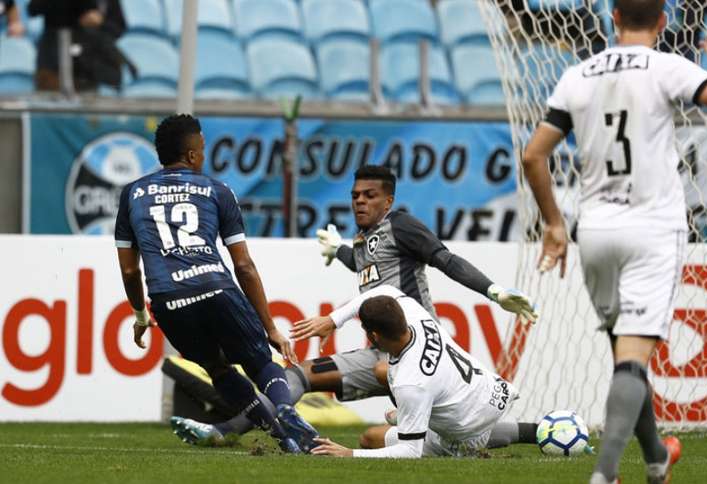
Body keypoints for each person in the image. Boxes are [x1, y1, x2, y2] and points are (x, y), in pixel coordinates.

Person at [521, 0, 707, 482]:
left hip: (597, 230)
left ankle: (656, 459)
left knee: (624, 357)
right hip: (652, 228)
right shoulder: (668, 66)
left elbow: (532, 156)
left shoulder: (578, 74)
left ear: (611, 18)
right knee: (631, 359)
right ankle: (605, 473)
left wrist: (553, 224)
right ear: (662, 21)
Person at [170, 165, 539, 450]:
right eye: (355, 195)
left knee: (454, 432)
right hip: (382, 353)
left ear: (388, 201)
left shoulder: (403, 225)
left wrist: (493, 291)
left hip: (413, 350)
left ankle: (227, 430)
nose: (359, 201)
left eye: (370, 195)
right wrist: (342, 252)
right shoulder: (365, 238)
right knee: (302, 376)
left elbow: (446, 259)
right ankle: (539, 431)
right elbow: (371, 271)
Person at [114, 114, 319, 453]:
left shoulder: (132, 194)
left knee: (217, 369)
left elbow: (130, 272)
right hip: (215, 287)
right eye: (203, 149)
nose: (204, 155)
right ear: (193, 156)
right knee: (260, 362)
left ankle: (284, 439)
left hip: (168, 298)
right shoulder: (217, 190)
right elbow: (244, 265)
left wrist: (140, 317)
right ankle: (284, 407)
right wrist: (269, 327)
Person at [304, 285, 519, 458]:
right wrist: (334, 320)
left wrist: (349, 453)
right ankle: (414, 415)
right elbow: (384, 290)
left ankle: (503, 436)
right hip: (496, 391)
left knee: (370, 438)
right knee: (382, 370)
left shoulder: (410, 382)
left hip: (467, 431)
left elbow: (409, 451)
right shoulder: (417, 317)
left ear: (374, 336)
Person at [28, 0, 129, 92]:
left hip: (87, 61)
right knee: (49, 99)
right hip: (52, 55)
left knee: (88, 101)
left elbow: (117, 28)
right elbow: (33, 9)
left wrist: (99, 23)